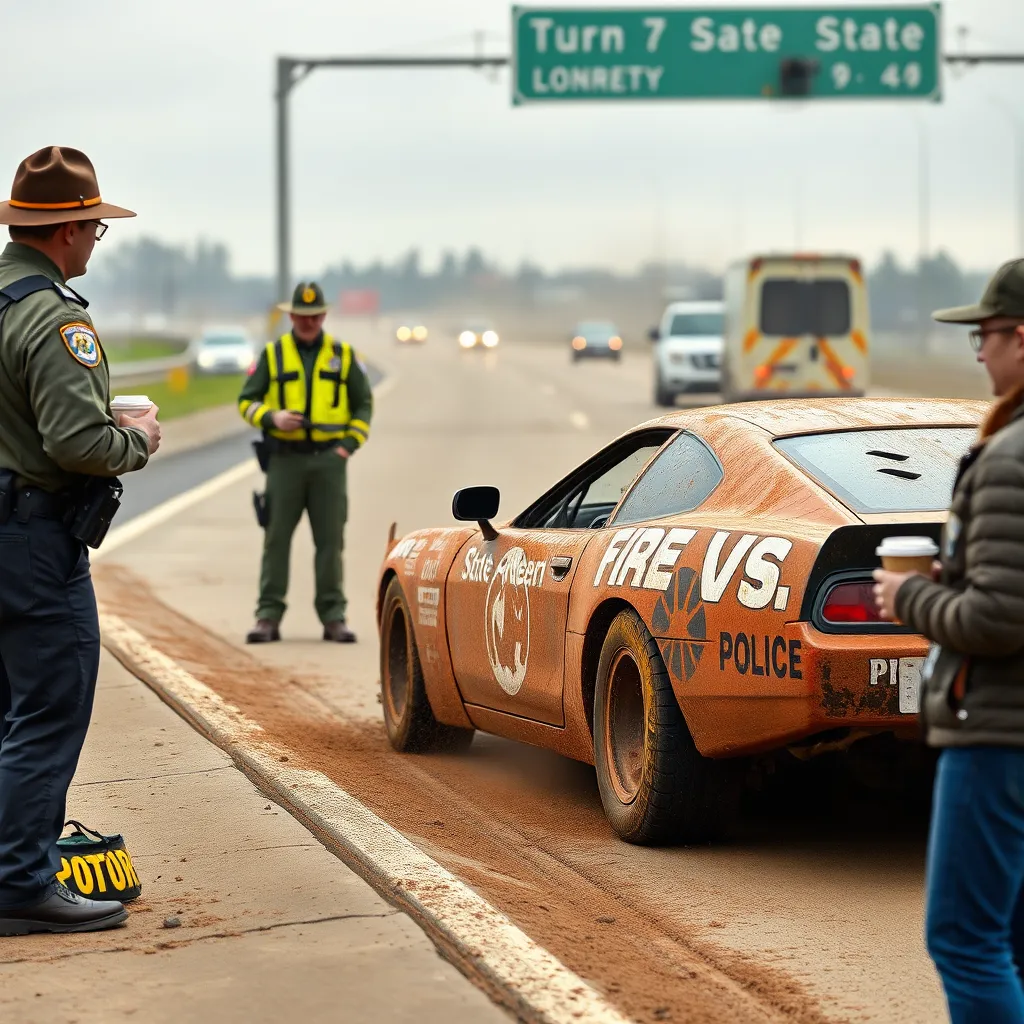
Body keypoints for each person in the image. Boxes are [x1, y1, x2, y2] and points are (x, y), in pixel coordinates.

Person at [0, 147, 161, 935]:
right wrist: (136, 440)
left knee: (9, 709)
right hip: (32, 543)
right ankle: (21, 884)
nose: (97, 240)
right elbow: (77, 445)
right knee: (49, 709)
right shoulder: (56, 319)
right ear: (66, 232)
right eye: (95, 227)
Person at [874, 257, 1024, 1022]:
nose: (977, 351)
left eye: (986, 333)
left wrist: (914, 594)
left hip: (997, 732)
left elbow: (997, 621)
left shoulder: (1008, 459)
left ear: (1022, 339)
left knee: (965, 940)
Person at [238, 281, 372, 644]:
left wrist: (347, 446)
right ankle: (268, 616)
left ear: (323, 315)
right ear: (292, 315)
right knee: (276, 539)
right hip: (285, 461)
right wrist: (273, 418)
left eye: (315, 315)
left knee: (330, 542)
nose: (309, 321)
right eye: (302, 315)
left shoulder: (343, 355)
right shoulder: (273, 355)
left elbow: (363, 405)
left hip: (330, 462)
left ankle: (333, 617)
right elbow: (246, 401)